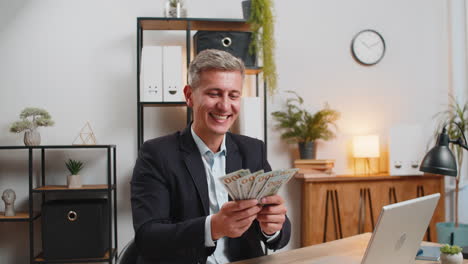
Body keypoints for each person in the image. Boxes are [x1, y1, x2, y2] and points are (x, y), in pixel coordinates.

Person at [131, 49, 291, 264]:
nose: (225, 106)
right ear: (189, 96)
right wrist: (213, 227)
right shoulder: (156, 154)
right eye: (214, 93)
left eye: (233, 95)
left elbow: (279, 233)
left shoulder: (253, 150)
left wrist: (272, 227)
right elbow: (148, 237)